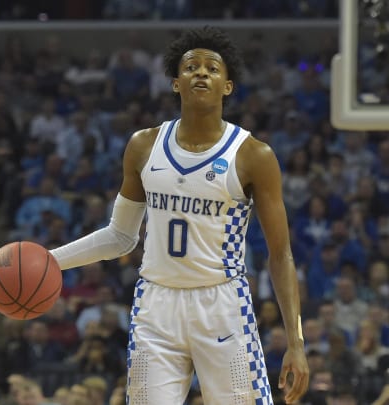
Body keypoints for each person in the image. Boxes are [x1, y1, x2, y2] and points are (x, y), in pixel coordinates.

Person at [48, 27, 309, 404]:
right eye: (191, 67)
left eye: (211, 68)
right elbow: (120, 237)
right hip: (156, 305)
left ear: (227, 86)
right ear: (175, 83)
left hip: (223, 306)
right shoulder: (143, 145)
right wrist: (49, 260)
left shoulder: (253, 155)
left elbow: (281, 255)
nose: (201, 73)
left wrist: (296, 343)